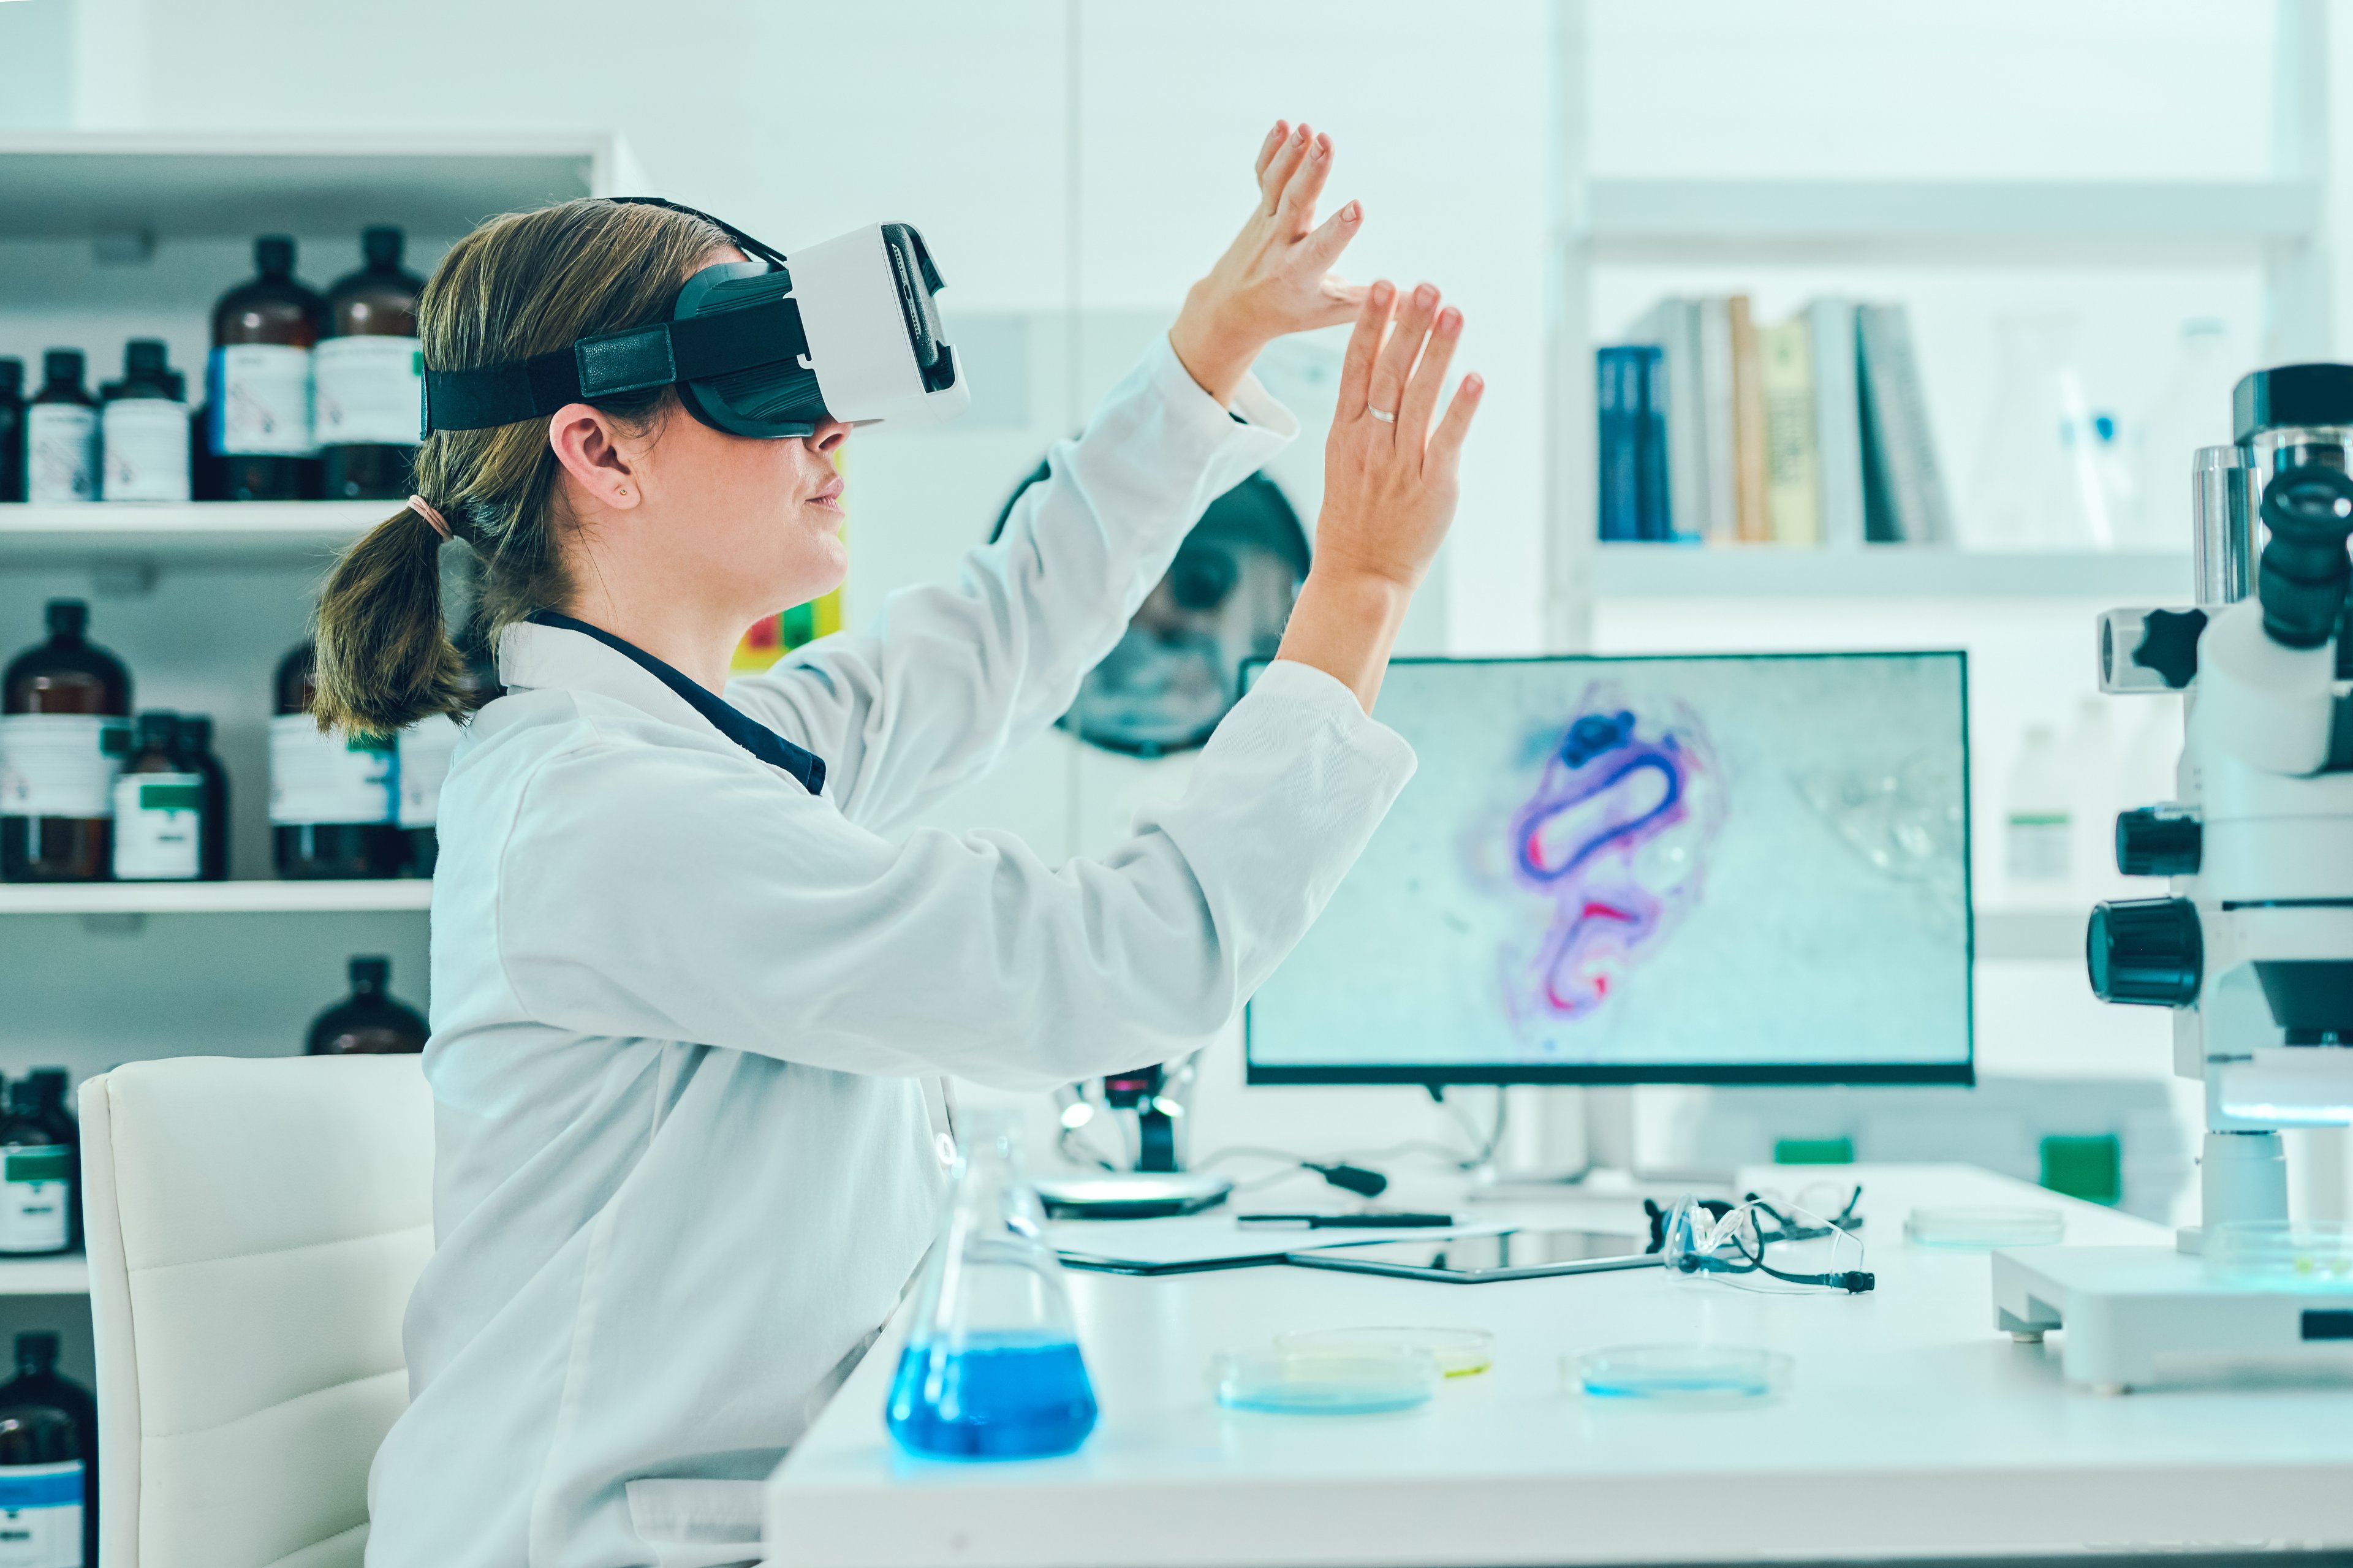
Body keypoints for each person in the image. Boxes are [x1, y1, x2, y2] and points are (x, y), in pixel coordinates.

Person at [319, 121, 1480, 1568]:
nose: (830, 429)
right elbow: (1107, 968)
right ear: (597, 448)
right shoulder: (609, 816)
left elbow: (1002, 631)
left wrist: (1207, 352)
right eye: (759, 383)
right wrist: (1357, 588)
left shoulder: (685, 751)